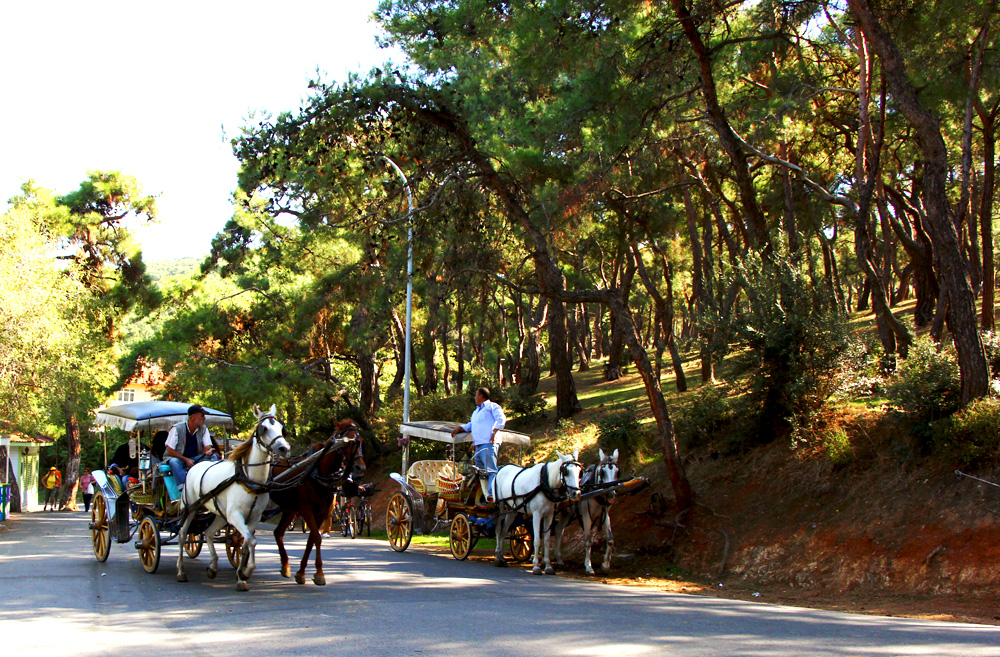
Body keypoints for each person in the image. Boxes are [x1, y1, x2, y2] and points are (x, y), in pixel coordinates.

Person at [451, 387, 506, 503]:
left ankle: (492, 493)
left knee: (490, 469)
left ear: (481, 396)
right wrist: (460, 428)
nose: (475, 397)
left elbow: (501, 419)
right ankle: (486, 494)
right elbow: (471, 425)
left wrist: (494, 431)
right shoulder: (476, 412)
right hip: (479, 445)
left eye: (476, 395)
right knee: (481, 471)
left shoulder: (492, 406)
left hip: (489, 443)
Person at [164, 404, 220, 490]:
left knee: (213, 456)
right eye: (202, 416)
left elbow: (207, 445)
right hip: (179, 459)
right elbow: (170, 450)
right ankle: (184, 487)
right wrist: (186, 460)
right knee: (174, 462)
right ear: (193, 417)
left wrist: (209, 451)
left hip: (195, 458)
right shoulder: (177, 428)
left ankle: (213, 482)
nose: (204, 418)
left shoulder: (204, 429)